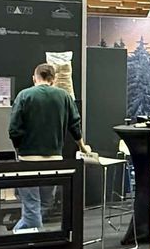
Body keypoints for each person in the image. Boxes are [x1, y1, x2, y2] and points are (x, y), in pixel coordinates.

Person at [8, 63, 90, 230]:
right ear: (54, 79)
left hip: (27, 160)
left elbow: (14, 129)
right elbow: (74, 125)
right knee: (44, 204)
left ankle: (23, 242)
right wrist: (82, 147)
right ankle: (25, 240)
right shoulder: (64, 96)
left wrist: (19, 150)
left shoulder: (24, 95)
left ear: (34, 77)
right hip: (54, 160)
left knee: (31, 208)